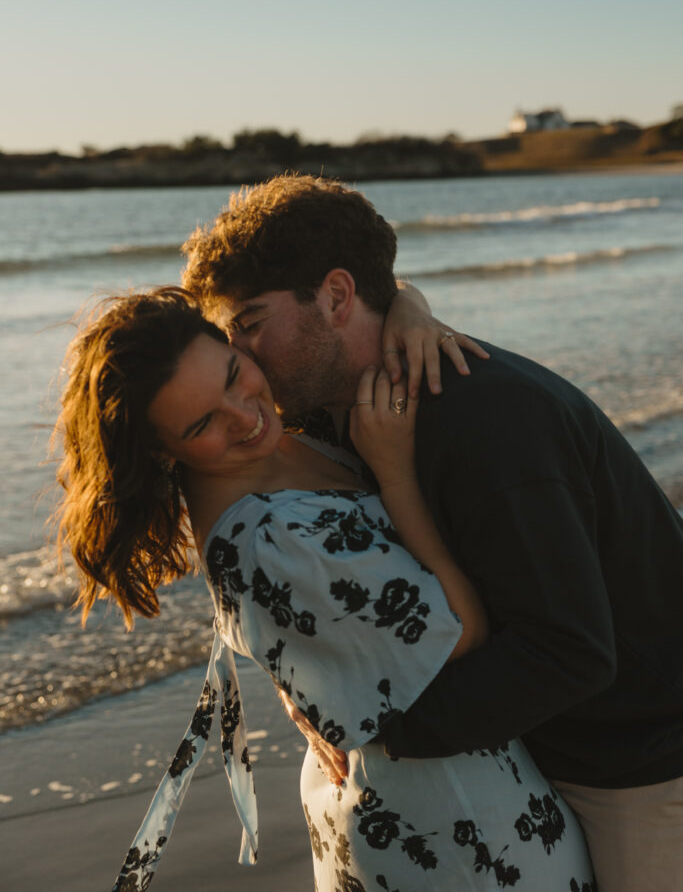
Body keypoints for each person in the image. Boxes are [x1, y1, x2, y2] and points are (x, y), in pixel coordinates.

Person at [181, 173, 683, 892]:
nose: (245, 359)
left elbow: (569, 653)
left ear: (335, 296)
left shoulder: (485, 422)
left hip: (640, 770)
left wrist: (377, 733)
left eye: (251, 323)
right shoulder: (338, 409)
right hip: (555, 753)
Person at [52, 287, 595, 891]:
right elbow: (462, 631)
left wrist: (408, 305)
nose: (245, 414)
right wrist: (395, 473)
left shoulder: (286, 436)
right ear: (159, 448)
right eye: (204, 421)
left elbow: (340, 296)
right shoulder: (270, 542)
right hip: (456, 831)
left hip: (458, 782)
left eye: (235, 375)